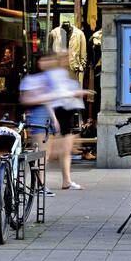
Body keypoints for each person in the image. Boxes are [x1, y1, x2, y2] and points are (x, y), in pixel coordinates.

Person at [45, 51, 92, 191]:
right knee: (53, 151)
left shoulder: (64, 74)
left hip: (67, 112)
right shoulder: (53, 75)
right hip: (60, 112)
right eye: (65, 57)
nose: (68, 59)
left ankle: (67, 181)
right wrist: (77, 93)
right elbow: (55, 95)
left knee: (65, 150)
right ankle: (45, 183)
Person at [19, 55, 62, 196]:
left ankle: (39, 184)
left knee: (45, 156)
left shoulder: (47, 79)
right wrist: (43, 97)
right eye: (45, 60)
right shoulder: (30, 79)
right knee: (40, 155)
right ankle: (38, 186)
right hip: (37, 117)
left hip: (47, 118)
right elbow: (25, 99)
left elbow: (49, 101)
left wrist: (54, 118)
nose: (49, 63)